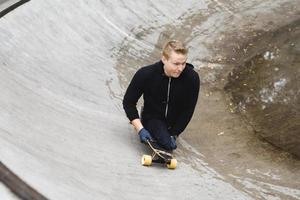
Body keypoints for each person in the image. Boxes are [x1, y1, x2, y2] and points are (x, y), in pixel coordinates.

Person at [123, 40, 200, 151]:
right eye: (176, 64)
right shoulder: (146, 74)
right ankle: (160, 137)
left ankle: (166, 139)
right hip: (153, 118)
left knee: (168, 143)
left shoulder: (192, 78)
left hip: (174, 121)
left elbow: (188, 109)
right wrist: (140, 129)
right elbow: (128, 102)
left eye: (183, 63)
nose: (180, 69)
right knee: (164, 141)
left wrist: (175, 133)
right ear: (164, 59)